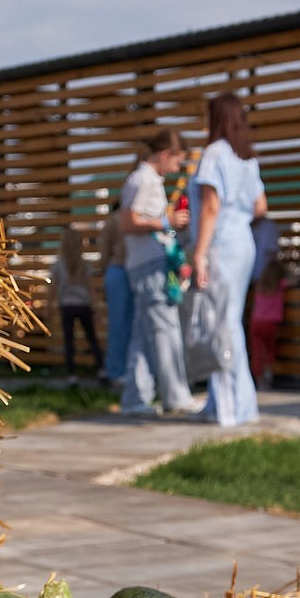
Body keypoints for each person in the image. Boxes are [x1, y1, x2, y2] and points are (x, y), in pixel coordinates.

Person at [187, 93, 268, 425]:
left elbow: (210, 207)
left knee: (221, 325)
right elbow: (260, 206)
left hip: (220, 245)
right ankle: (228, 403)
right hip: (243, 243)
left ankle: (230, 408)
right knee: (230, 321)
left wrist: (200, 253)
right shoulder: (247, 157)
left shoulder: (214, 154)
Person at [118, 128, 201, 416]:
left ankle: (134, 398)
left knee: (144, 334)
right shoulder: (143, 180)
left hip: (150, 263)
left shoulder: (148, 180)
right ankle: (175, 396)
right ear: (165, 155)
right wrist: (165, 220)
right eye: (176, 162)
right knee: (166, 330)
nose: (176, 169)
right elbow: (128, 223)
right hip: (149, 265)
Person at [50, 232, 101, 384]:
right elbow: (91, 288)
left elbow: (53, 287)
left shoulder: (58, 265)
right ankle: (101, 369)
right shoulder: (84, 264)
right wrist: (96, 306)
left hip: (67, 306)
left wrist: (49, 304)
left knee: (69, 340)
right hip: (83, 305)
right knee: (92, 338)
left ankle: (72, 374)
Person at [97, 197, 132, 385]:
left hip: (117, 270)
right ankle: (121, 369)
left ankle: (115, 369)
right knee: (127, 324)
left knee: (117, 324)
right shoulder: (127, 218)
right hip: (127, 270)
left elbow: (103, 252)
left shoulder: (112, 221)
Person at [248, 244, 287, 392]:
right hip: (271, 323)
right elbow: (294, 281)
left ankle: (259, 379)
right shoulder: (280, 285)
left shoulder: (259, 285)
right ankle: (269, 375)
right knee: (270, 350)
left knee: (257, 352)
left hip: (256, 322)